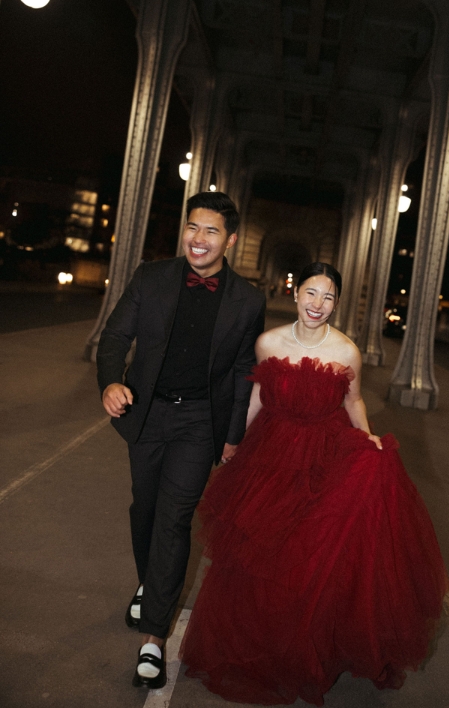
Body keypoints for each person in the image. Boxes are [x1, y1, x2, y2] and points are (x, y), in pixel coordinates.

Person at [180, 261, 449, 706]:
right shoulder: (268, 342)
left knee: (306, 559)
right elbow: (256, 397)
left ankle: (299, 650)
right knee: (258, 555)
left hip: (324, 457)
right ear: (296, 293)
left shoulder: (346, 352)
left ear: (336, 304)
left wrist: (368, 439)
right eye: (310, 293)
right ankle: (256, 643)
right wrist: (233, 444)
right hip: (270, 455)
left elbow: (354, 399)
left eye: (327, 297)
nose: (317, 304)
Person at [96, 191, 265, 689]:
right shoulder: (152, 277)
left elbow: (242, 372)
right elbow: (114, 338)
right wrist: (110, 380)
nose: (197, 238)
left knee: (174, 519)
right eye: (193, 227)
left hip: (198, 423)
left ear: (229, 240)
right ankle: (150, 581)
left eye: (210, 231)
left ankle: (153, 639)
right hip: (146, 414)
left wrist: (233, 436)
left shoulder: (248, 300)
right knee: (143, 509)